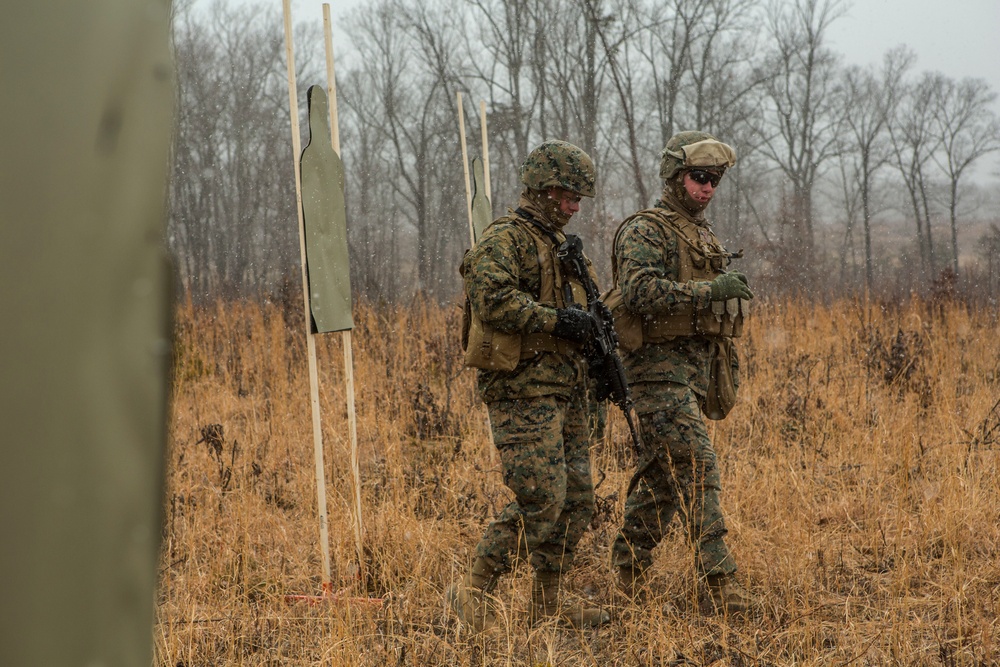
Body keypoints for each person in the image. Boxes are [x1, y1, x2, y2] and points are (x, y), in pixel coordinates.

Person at [447, 140, 611, 630]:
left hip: (567, 390)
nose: (575, 207)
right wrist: (557, 321)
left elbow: (589, 318)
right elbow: (492, 298)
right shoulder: (506, 239)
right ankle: (472, 591)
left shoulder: (565, 249)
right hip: (522, 390)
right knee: (542, 498)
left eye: (579, 198)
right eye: (570, 196)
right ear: (544, 189)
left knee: (577, 501)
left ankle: (548, 600)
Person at [608, 131, 754, 615]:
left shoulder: (700, 233)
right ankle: (720, 580)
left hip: (692, 371)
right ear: (675, 177)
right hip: (655, 370)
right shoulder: (646, 230)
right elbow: (639, 292)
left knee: (664, 477)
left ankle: (628, 566)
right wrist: (710, 291)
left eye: (715, 180)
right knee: (696, 464)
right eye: (700, 177)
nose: (708, 187)